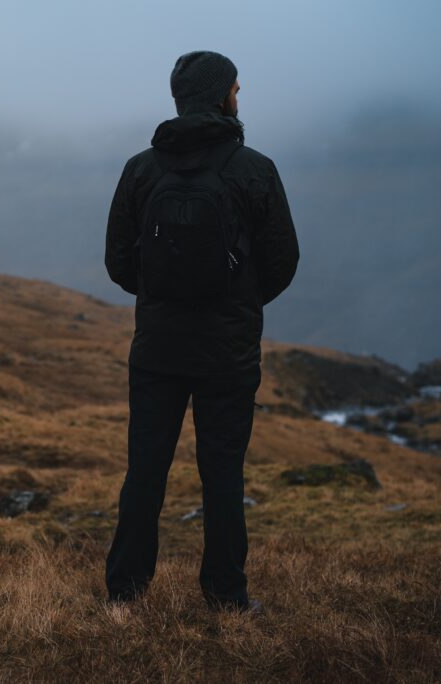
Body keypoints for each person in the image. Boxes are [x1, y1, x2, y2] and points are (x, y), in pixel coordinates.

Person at [104, 51, 299, 612]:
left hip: (157, 347)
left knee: (144, 469)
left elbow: (119, 262)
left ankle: (125, 589)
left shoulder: (141, 169)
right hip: (228, 351)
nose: (240, 96)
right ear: (222, 97)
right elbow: (283, 260)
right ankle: (225, 594)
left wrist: (162, 297)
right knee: (221, 472)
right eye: (237, 88)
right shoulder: (254, 169)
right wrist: (235, 301)